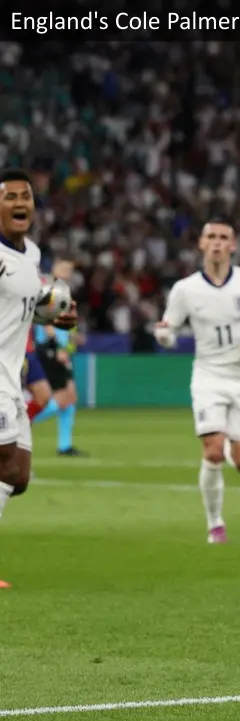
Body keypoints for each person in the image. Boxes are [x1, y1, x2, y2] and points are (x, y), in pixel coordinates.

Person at [154, 218, 240, 544]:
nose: (216, 243)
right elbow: (168, 330)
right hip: (208, 376)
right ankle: (215, 524)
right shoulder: (185, 289)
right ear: (201, 244)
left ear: (233, 245)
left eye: (223, 237)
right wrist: (164, 335)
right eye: (210, 236)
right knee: (212, 453)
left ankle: (227, 443)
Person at [0, 168, 77, 589]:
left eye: (25, 196)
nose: (19, 203)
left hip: (14, 376)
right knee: (5, 464)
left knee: (19, 476)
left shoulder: (29, 254)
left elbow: (27, 306)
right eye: (9, 196)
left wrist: (56, 316)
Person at [33, 260, 84, 455]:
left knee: (70, 400)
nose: (69, 273)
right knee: (63, 399)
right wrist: (59, 346)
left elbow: (67, 324)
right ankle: (22, 423)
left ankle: (65, 445)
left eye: (70, 270)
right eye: (66, 270)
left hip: (61, 350)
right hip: (50, 350)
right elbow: (45, 321)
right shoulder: (48, 290)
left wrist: (71, 341)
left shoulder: (64, 293)